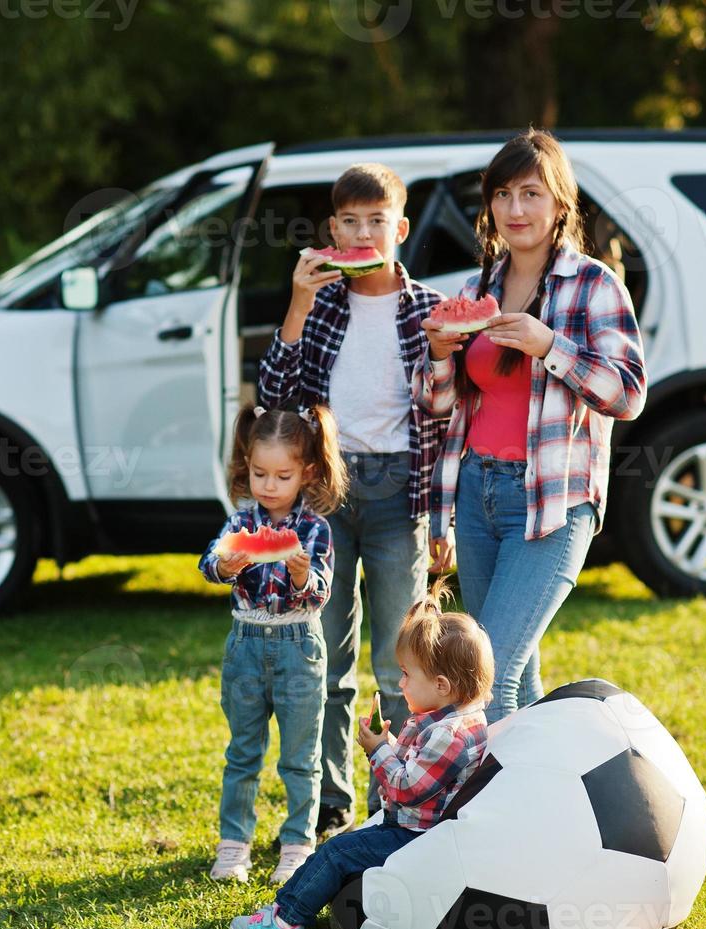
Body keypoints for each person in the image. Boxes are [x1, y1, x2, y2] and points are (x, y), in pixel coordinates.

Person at [418, 129, 647, 722]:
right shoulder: (477, 289)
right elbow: (439, 408)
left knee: (483, 672)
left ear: (559, 204)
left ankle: (487, 809)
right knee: (516, 677)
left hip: (551, 500)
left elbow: (627, 394)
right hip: (477, 495)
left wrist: (551, 346)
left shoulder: (594, 285)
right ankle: (539, 804)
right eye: (502, 195)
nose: (515, 210)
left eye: (531, 194)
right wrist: (441, 353)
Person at [257, 162, 449, 837]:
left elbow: (446, 416)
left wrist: (442, 513)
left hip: (402, 491)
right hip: (326, 492)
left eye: (376, 221)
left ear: (397, 228)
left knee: (402, 665)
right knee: (326, 657)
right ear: (331, 231)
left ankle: (395, 797)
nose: (363, 232)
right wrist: (297, 303)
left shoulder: (427, 310)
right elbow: (274, 402)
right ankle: (333, 802)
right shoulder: (322, 306)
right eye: (349, 222)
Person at [228, 578, 493, 929]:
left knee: (335, 852)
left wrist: (377, 751)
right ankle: (288, 906)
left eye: (406, 674)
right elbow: (419, 771)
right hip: (412, 827)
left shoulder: (450, 734)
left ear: (442, 684)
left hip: (416, 837)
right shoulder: (451, 719)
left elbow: (407, 789)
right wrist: (391, 744)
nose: (400, 683)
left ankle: (285, 923)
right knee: (343, 848)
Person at [199, 404, 347, 885]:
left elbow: (322, 592)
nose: (269, 485)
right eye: (260, 473)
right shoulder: (239, 523)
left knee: (300, 757)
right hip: (245, 643)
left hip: (299, 645)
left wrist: (305, 575)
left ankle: (297, 845)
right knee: (242, 751)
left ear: (305, 473)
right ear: (248, 467)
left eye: (282, 475)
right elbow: (208, 564)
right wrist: (227, 564)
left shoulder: (316, 529)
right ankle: (233, 845)